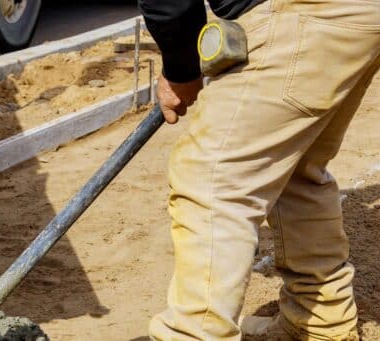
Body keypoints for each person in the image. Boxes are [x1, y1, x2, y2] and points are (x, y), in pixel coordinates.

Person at [138, 0, 380, 339]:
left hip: (305, 12)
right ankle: (319, 323)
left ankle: (194, 334)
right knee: (296, 167)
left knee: (216, 183)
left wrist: (181, 68)